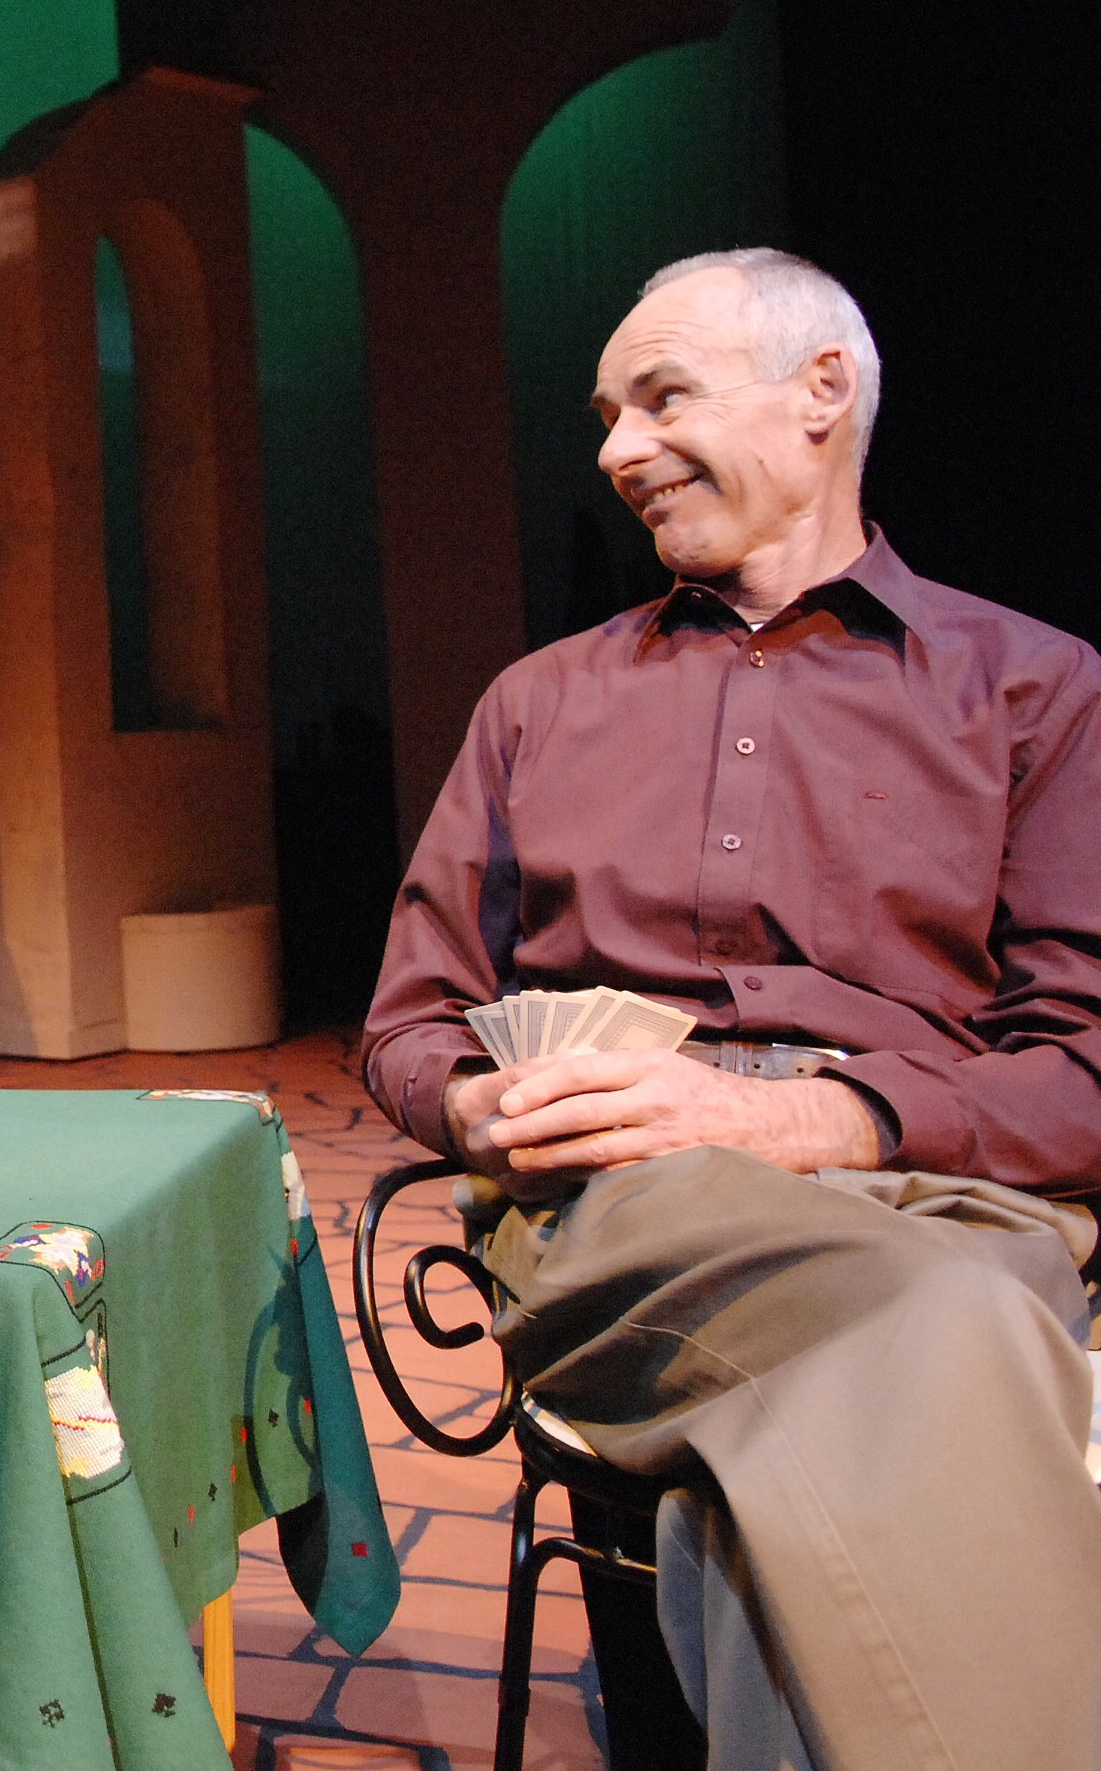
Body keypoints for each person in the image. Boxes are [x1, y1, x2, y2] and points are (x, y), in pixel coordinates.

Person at [363, 248, 1101, 1767]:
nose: (615, 449)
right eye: (605, 414)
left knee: (916, 1342)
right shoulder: (539, 702)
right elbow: (409, 1023)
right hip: (633, 1201)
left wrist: (810, 1120)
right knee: (969, 1325)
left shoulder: (1036, 690)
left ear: (822, 392)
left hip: (946, 1191)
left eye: (661, 396)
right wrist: (477, 1105)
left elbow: (1085, 1063)